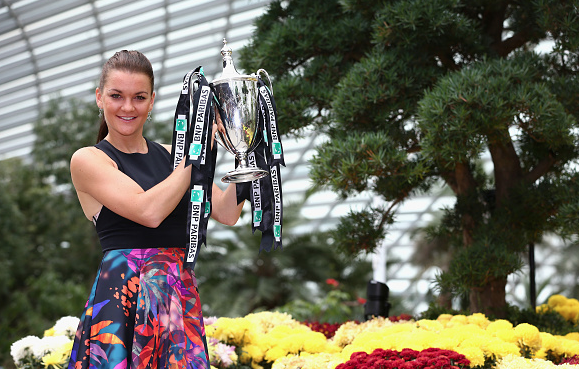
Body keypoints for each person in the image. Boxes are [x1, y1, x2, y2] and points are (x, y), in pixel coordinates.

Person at [67, 50, 243, 369]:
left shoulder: (172, 156)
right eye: (116, 96)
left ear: (151, 102)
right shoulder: (88, 160)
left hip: (177, 295)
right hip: (124, 295)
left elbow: (228, 212)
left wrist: (248, 152)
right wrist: (196, 156)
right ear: (99, 97)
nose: (128, 107)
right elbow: (149, 211)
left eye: (139, 97)